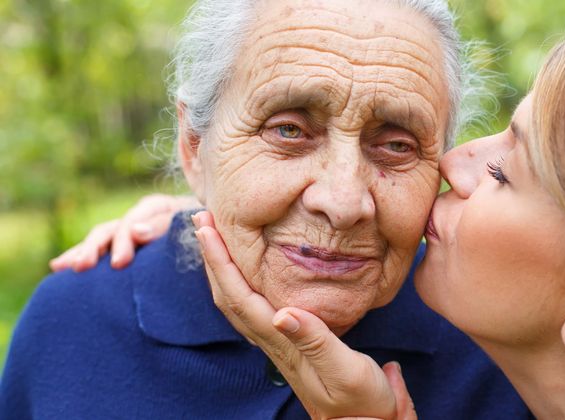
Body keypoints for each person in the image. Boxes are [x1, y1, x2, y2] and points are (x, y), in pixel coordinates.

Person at [68, 20, 565, 419]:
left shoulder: (499, 362)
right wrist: (222, 204)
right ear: (194, 145)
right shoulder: (81, 314)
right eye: (288, 130)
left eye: (508, 169)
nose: (448, 165)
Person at [0, 0, 532, 418]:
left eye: (396, 145)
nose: (343, 203)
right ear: (194, 148)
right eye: (288, 131)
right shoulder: (74, 322)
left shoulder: (500, 348)